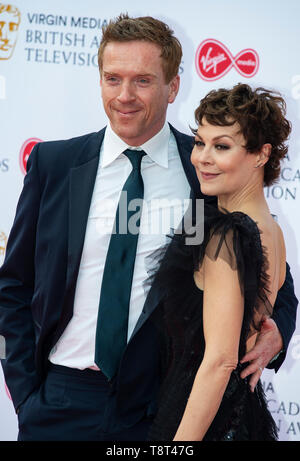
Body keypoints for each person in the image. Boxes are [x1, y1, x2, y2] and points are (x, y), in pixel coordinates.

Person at [0, 14, 297, 441]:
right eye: (112, 78)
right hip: (59, 403)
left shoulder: (207, 175)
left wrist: (278, 336)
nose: (124, 96)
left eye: (142, 80)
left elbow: (270, 279)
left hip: (161, 410)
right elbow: (13, 285)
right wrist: (27, 397)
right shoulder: (55, 165)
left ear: (172, 86)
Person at [147, 83, 295, 441]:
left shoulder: (229, 235)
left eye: (222, 146)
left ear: (261, 155)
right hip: (234, 411)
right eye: (200, 142)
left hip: (202, 418)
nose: (202, 157)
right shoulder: (271, 229)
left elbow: (219, 362)